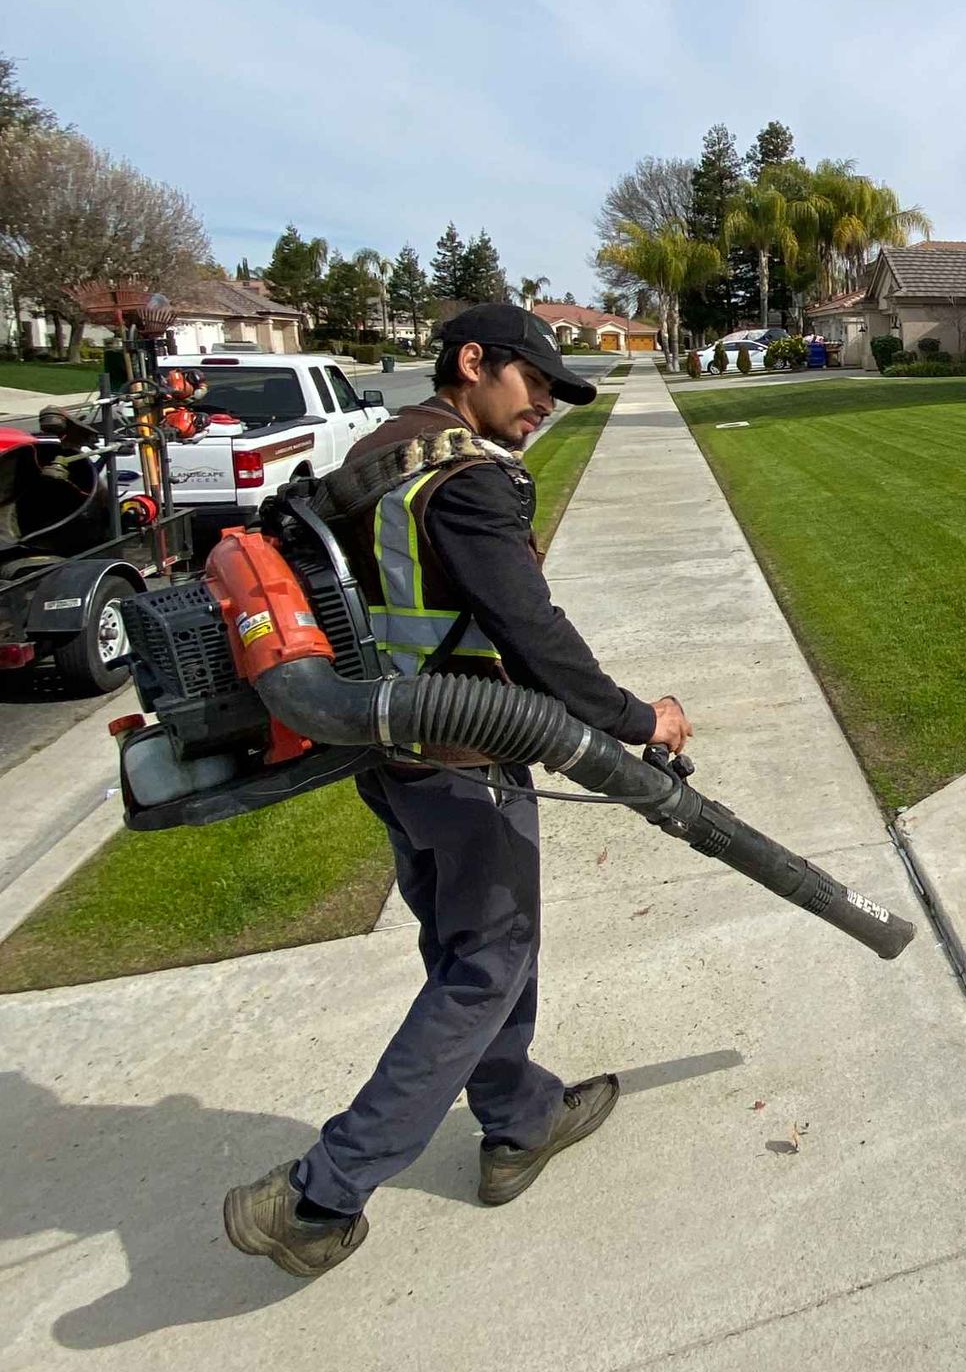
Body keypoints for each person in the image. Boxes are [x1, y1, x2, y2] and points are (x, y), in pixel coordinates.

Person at [222, 304, 688, 1281]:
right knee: (486, 963)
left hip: (391, 758)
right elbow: (535, 633)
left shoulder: (379, 457)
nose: (544, 409)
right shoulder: (466, 478)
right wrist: (643, 720)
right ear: (472, 362)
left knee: (473, 952)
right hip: (468, 762)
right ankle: (321, 1195)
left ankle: (518, 1120)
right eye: (534, 384)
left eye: (557, 396)